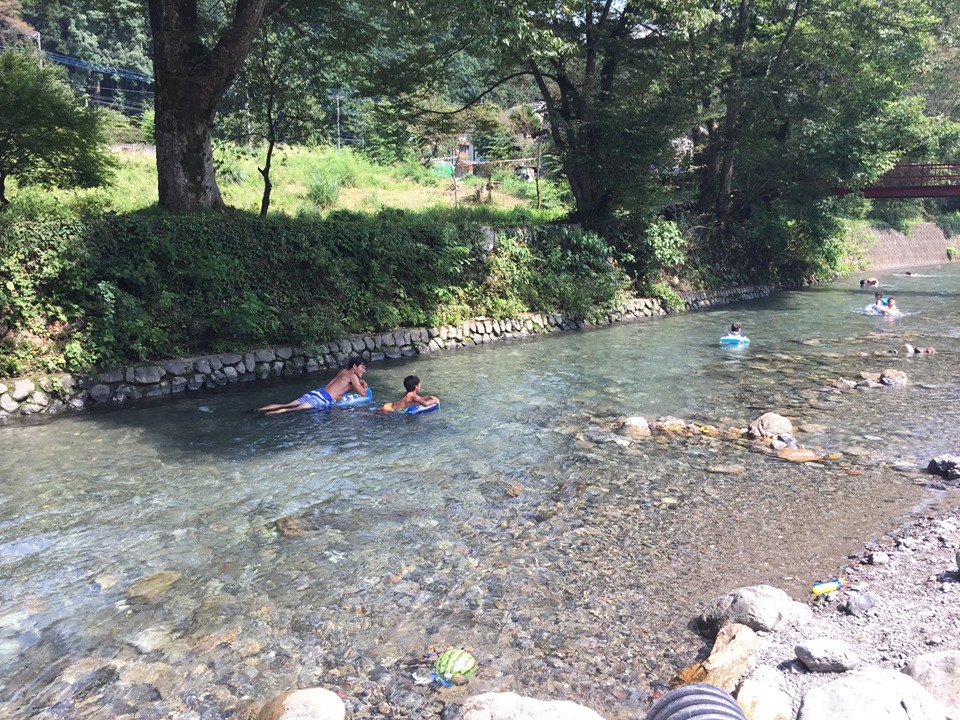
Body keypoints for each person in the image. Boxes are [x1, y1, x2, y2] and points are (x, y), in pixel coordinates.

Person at [256, 357, 368, 415]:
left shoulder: (343, 371)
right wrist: (365, 385)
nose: (364, 371)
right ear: (354, 367)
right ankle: (268, 414)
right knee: (292, 410)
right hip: (322, 398)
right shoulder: (353, 376)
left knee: (287, 405)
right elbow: (362, 393)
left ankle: (257, 410)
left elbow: (337, 386)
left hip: (317, 393)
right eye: (362, 368)